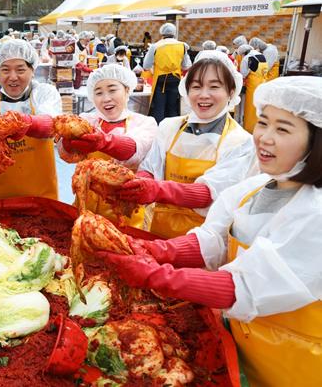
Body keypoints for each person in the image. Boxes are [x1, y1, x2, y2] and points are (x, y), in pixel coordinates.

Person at [99, 76, 322, 387]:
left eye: (282, 129)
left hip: (294, 361)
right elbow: (213, 240)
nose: (264, 138)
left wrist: (156, 275)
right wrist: (155, 251)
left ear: (316, 141)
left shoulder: (316, 213)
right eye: (263, 123)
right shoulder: (254, 188)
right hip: (243, 343)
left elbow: (245, 286)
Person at [113, 51, 254, 239]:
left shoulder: (240, 142)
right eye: (196, 87)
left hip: (202, 244)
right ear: (186, 91)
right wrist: (138, 182)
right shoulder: (169, 127)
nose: (204, 95)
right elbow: (150, 168)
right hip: (157, 232)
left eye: (214, 87)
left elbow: (207, 194)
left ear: (231, 92)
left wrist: (155, 189)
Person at [58, 64, 157, 226]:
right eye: (99, 93)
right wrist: (68, 141)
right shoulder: (87, 121)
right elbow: (67, 155)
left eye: (112, 90)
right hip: (85, 210)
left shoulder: (144, 123)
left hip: (125, 214)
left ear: (126, 90)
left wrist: (103, 142)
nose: (106, 98)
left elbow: (134, 151)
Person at [0, 39, 62, 200]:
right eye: (5, 70)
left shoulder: (44, 93)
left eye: (20, 70)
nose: (13, 77)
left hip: (42, 197)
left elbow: (51, 124)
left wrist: (19, 123)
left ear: (32, 70)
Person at [143, 23, 192, 123]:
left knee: (159, 107)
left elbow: (146, 66)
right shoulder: (182, 46)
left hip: (160, 79)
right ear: (174, 33)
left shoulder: (155, 46)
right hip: (176, 79)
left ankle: (159, 131)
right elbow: (186, 65)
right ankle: (172, 131)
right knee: (173, 106)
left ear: (162, 33)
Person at [239, 44, 268, 134]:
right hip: (263, 83)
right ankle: (259, 127)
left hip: (253, 85)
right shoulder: (262, 56)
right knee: (259, 107)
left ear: (244, 52)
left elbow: (243, 74)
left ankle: (249, 129)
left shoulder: (247, 58)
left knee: (250, 107)